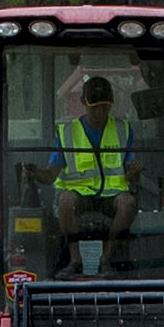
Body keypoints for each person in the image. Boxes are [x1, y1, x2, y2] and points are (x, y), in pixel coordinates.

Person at [54, 72, 135, 258]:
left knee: (128, 202)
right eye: (94, 107)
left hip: (111, 197)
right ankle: (75, 261)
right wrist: (35, 173)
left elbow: (130, 173)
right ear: (83, 101)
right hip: (79, 196)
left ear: (112, 102)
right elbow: (51, 174)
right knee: (65, 201)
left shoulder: (124, 129)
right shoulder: (66, 132)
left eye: (104, 107)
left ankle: (106, 260)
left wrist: (134, 171)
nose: (99, 112)